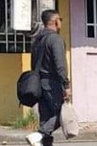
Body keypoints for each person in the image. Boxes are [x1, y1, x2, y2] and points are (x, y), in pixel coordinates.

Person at [26, 10, 70, 146]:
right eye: (60, 19)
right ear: (56, 21)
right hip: (52, 84)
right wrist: (66, 85)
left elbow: (33, 63)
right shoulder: (55, 39)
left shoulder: (37, 40)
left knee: (46, 118)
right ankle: (39, 134)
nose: (61, 22)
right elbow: (60, 65)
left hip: (39, 83)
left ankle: (43, 141)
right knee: (61, 115)